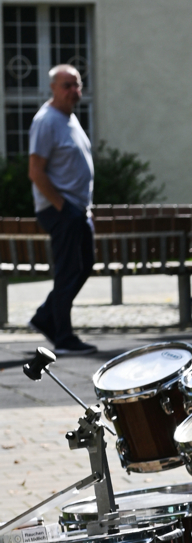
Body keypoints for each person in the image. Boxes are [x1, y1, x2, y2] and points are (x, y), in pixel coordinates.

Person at [27, 63, 96, 355]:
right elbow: (35, 171)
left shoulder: (69, 118)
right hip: (61, 209)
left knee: (84, 267)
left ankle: (45, 317)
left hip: (78, 209)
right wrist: (62, 205)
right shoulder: (47, 120)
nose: (73, 91)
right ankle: (63, 336)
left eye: (77, 85)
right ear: (53, 88)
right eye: (66, 85)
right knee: (69, 271)